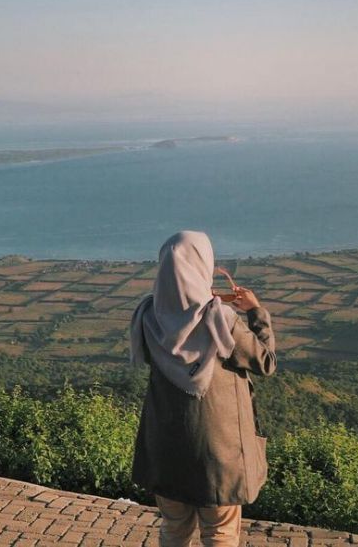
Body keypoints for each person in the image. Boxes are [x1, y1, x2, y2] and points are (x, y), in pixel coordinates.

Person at [129, 230, 277, 547]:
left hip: (166, 446)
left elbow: (178, 320)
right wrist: (255, 312)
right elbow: (265, 362)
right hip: (218, 453)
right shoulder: (221, 320)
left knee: (174, 528)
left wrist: (198, 298)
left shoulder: (147, 316)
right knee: (220, 532)